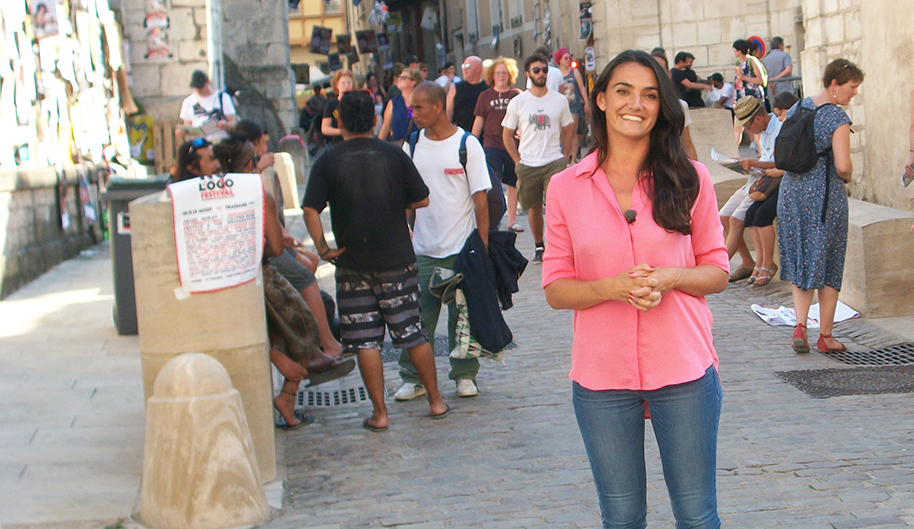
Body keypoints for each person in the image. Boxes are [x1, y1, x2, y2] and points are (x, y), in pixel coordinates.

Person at [542, 49, 729, 529]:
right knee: (621, 517)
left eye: (650, 95)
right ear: (601, 99)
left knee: (697, 514)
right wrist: (613, 287)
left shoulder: (691, 179)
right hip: (601, 375)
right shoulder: (565, 187)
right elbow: (556, 288)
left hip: (684, 367)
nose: (637, 104)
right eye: (624, 91)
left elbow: (718, 271)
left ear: (661, 106)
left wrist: (671, 277)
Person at [174, 138, 355, 430]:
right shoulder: (253, 194)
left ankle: (300, 375)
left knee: (287, 327)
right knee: (297, 323)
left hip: (207, 285)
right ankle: (307, 363)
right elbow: (273, 249)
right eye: (210, 160)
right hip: (250, 276)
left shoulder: (177, 197)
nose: (216, 165)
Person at [302, 91, 448, 431]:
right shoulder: (393, 155)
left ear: (338, 121)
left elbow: (311, 208)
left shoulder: (328, 159)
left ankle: (380, 414)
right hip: (397, 258)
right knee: (413, 331)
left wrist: (323, 249)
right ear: (374, 120)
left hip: (352, 263)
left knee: (365, 339)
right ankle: (436, 401)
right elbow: (422, 198)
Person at [393, 82, 491, 401]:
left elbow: (480, 200)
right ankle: (413, 377)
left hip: (461, 250)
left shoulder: (467, 144)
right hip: (422, 250)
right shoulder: (412, 144)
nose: (413, 114)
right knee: (419, 318)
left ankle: (464, 374)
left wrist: (483, 248)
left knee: (463, 318)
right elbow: (405, 198)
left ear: (437, 107)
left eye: (418, 107)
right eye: (412, 108)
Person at [778, 59, 864, 354]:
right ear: (835, 85)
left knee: (802, 256)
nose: (854, 93)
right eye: (852, 87)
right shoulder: (836, 117)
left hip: (791, 193)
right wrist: (850, 176)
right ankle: (825, 336)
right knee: (828, 261)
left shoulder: (798, 106)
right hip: (823, 196)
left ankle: (800, 325)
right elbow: (842, 166)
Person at [502, 54, 575, 264]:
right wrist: (517, 160)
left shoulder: (559, 100)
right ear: (528, 74)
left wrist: (566, 155)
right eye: (536, 70)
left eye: (544, 70)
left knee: (556, 206)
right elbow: (507, 134)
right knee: (533, 208)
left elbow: (569, 128)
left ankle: (560, 246)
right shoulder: (518, 102)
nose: (541, 74)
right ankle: (539, 246)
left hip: (554, 160)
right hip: (528, 163)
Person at [731, 96, 784, 286]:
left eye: (748, 126)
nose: (747, 131)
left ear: (758, 119)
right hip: (763, 179)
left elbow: (781, 162)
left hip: (777, 181)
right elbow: (765, 157)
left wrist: (755, 164)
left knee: (754, 216)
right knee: (746, 215)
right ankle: (757, 262)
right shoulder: (764, 132)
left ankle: (766, 263)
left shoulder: (778, 128)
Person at [472, 57, 523, 233]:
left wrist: (522, 133)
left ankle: (512, 220)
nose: (501, 76)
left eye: (504, 73)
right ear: (492, 76)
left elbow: (524, 119)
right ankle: (495, 217)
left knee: (512, 182)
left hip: (511, 144)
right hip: (491, 142)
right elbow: (479, 120)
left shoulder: (517, 94)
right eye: (498, 73)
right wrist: (471, 141)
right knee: (494, 179)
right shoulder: (485, 96)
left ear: (510, 75)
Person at [176, 70, 236, 143]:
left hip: (220, 140)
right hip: (199, 142)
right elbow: (187, 125)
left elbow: (233, 122)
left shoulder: (223, 97)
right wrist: (183, 131)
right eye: (196, 87)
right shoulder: (188, 101)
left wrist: (226, 125)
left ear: (207, 82)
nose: (199, 90)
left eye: (201, 87)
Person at [555, 47, 591, 162]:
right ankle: (565, 154)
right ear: (559, 60)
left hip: (574, 106)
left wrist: (586, 102)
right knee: (562, 132)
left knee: (572, 131)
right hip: (560, 106)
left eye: (569, 58)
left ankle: (573, 158)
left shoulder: (574, 72)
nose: (568, 60)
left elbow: (581, 87)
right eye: (565, 58)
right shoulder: (557, 74)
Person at [732, 39, 766, 144]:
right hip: (741, 96)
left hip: (752, 95)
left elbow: (760, 80)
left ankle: (761, 152)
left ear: (739, 51)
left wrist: (744, 77)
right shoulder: (738, 63)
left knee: (756, 124)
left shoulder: (752, 61)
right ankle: (734, 151)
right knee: (737, 125)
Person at [378, 68, 422, 145]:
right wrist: (378, 145)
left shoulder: (421, 101)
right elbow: (386, 126)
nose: (399, 79)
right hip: (398, 147)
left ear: (413, 82)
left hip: (419, 145)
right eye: (399, 77)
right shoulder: (393, 102)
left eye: (403, 78)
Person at [447, 56, 488, 132]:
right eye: (463, 66)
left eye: (468, 66)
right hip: (462, 134)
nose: (464, 70)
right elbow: (448, 111)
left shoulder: (488, 88)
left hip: (485, 136)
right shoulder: (456, 88)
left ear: (478, 68)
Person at [321, 71, 355, 146]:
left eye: (349, 82)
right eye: (343, 83)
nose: (346, 85)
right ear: (337, 85)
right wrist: (341, 132)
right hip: (338, 143)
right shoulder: (331, 104)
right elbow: (325, 128)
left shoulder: (357, 101)